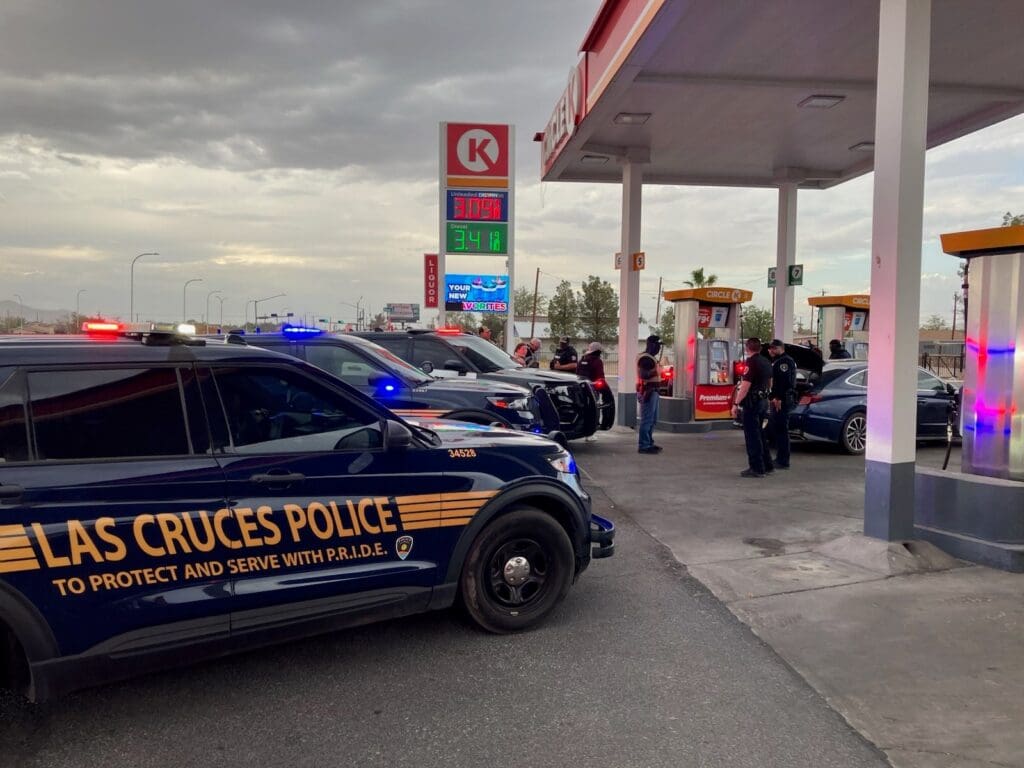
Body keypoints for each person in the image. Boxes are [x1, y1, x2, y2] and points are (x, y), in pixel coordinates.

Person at [731, 337, 773, 477]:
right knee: (761, 434)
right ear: (760, 348)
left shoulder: (751, 362)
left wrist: (736, 404)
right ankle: (767, 465)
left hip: (752, 403)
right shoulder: (766, 361)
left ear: (747, 348)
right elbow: (770, 383)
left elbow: (745, 386)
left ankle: (756, 468)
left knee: (752, 436)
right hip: (763, 401)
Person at [767, 339, 797, 470]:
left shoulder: (784, 362)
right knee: (778, 430)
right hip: (781, 399)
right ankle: (780, 458)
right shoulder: (781, 361)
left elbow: (784, 382)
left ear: (780, 348)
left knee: (781, 431)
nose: (771, 351)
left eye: (774, 348)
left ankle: (783, 460)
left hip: (782, 401)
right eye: (770, 348)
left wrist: (778, 397)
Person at [637, 334, 663, 454]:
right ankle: (644, 445)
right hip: (648, 391)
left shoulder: (650, 357)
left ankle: (649, 442)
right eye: (657, 345)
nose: (659, 348)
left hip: (654, 391)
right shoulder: (645, 358)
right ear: (652, 345)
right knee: (647, 419)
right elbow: (644, 375)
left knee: (653, 420)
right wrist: (656, 371)